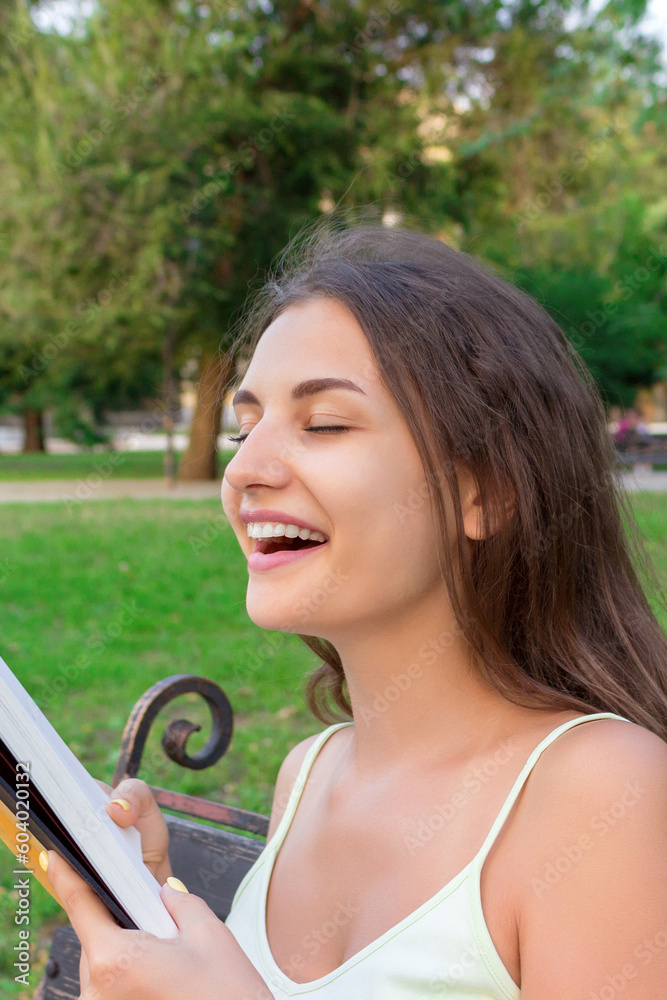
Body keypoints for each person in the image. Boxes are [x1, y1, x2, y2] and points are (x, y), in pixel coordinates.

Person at [43, 220, 667, 999]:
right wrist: (155, 921)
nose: (245, 471)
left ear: (487, 491)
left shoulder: (601, 793)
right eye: (246, 427)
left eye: (324, 424)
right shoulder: (311, 772)